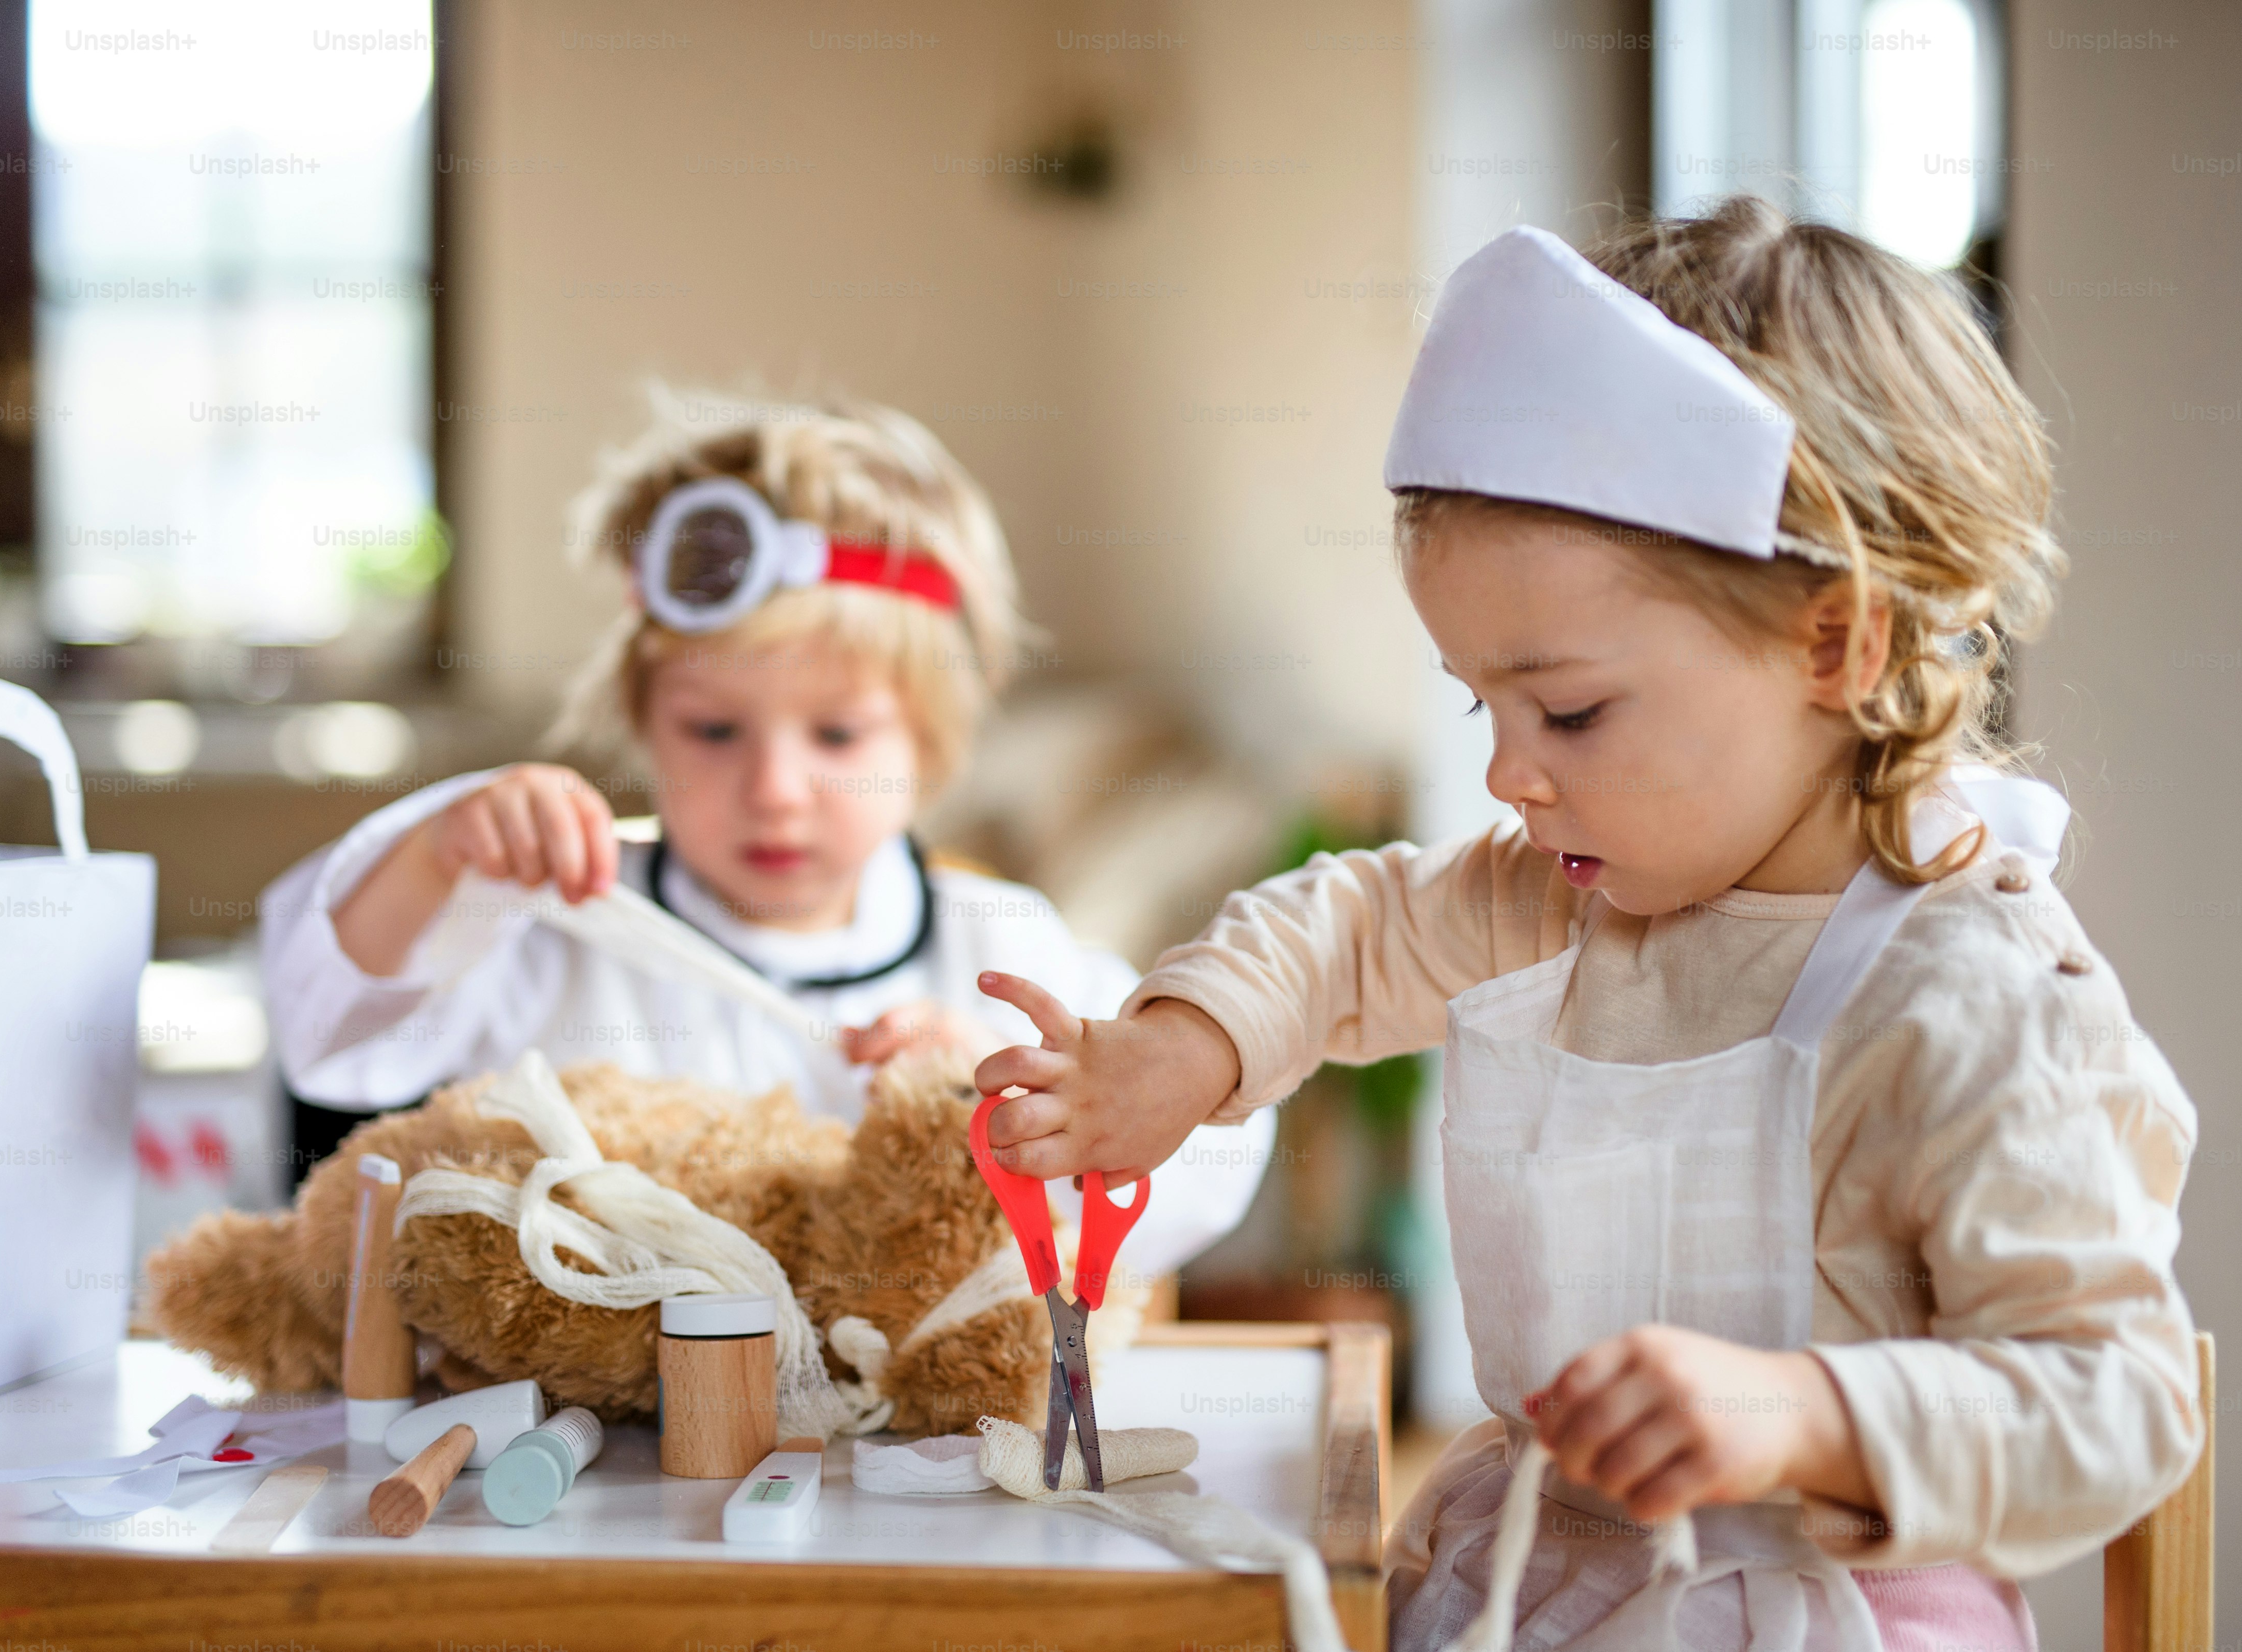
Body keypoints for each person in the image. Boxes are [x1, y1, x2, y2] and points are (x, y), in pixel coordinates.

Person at [972, 201, 2202, 1650]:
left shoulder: (1977, 997)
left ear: (1834, 641)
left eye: (1566, 709)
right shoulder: (1568, 896)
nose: (1507, 770)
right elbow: (1350, 928)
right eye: (1476, 702)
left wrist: (1796, 1410)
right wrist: (1182, 1049)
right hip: (1544, 1583)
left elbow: (2111, 1401)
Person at [259, 394, 1272, 1286]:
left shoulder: (1001, 951)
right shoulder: (558, 936)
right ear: (642, 726)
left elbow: (1208, 1155)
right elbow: (330, 1031)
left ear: (928, 741)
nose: (774, 789)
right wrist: (442, 854)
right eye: (713, 731)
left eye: (837, 734)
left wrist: (1028, 1108)